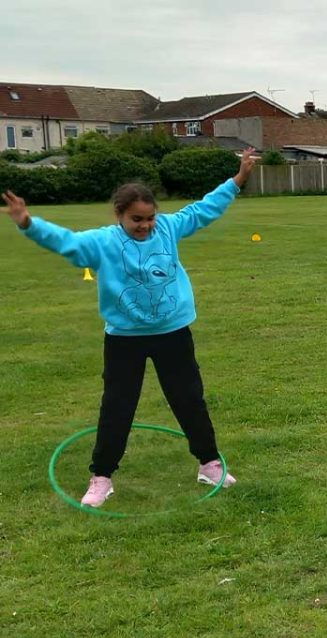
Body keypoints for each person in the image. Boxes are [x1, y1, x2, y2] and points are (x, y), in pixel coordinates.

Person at [2, 148, 258, 507]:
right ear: (119, 214)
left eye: (150, 218)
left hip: (173, 332)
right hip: (125, 338)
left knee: (189, 400)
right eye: (137, 219)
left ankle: (209, 464)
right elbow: (68, 242)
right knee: (118, 406)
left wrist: (239, 179)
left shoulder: (167, 228)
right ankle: (102, 477)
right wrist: (29, 224)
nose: (145, 225)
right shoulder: (104, 242)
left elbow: (203, 210)